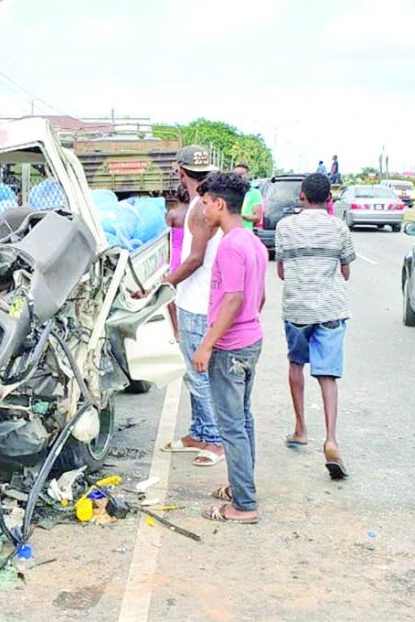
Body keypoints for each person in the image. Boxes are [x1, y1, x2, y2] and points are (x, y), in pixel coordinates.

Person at [190, 173, 267, 524]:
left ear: (220, 204)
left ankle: (244, 505)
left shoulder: (231, 246)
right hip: (250, 340)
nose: (203, 210)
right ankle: (242, 487)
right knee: (243, 419)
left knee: (231, 426)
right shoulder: (252, 242)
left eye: (205, 204)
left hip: (231, 347)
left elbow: (233, 299)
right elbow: (258, 297)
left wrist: (207, 345)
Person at [275, 173, 355, 480]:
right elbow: (345, 272)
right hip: (331, 308)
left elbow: (281, 270)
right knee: (327, 375)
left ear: (302, 196)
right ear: (329, 200)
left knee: (296, 365)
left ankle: (300, 429)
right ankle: (331, 439)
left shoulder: (285, 227)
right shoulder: (339, 227)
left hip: (297, 307)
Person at [155, 145, 224, 467]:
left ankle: (214, 440)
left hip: (197, 303)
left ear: (180, 172)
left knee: (199, 375)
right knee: (193, 373)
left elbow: (196, 259)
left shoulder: (199, 208)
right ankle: (200, 431)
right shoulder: (201, 204)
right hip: (194, 299)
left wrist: (164, 284)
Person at [166, 198, 188, 337]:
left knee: (170, 291)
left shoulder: (173, 214)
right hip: (189, 253)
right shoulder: (195, 213)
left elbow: (166, 236)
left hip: (176, 253)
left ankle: (176, 330)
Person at [232, 163, 263, 230]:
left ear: (248, 175)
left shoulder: (254, 193)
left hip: (245, 234)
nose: (238, 177)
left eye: (241, 174)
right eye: (235, 174)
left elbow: (258, 217)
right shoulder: (228, 191)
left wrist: (241, 216)